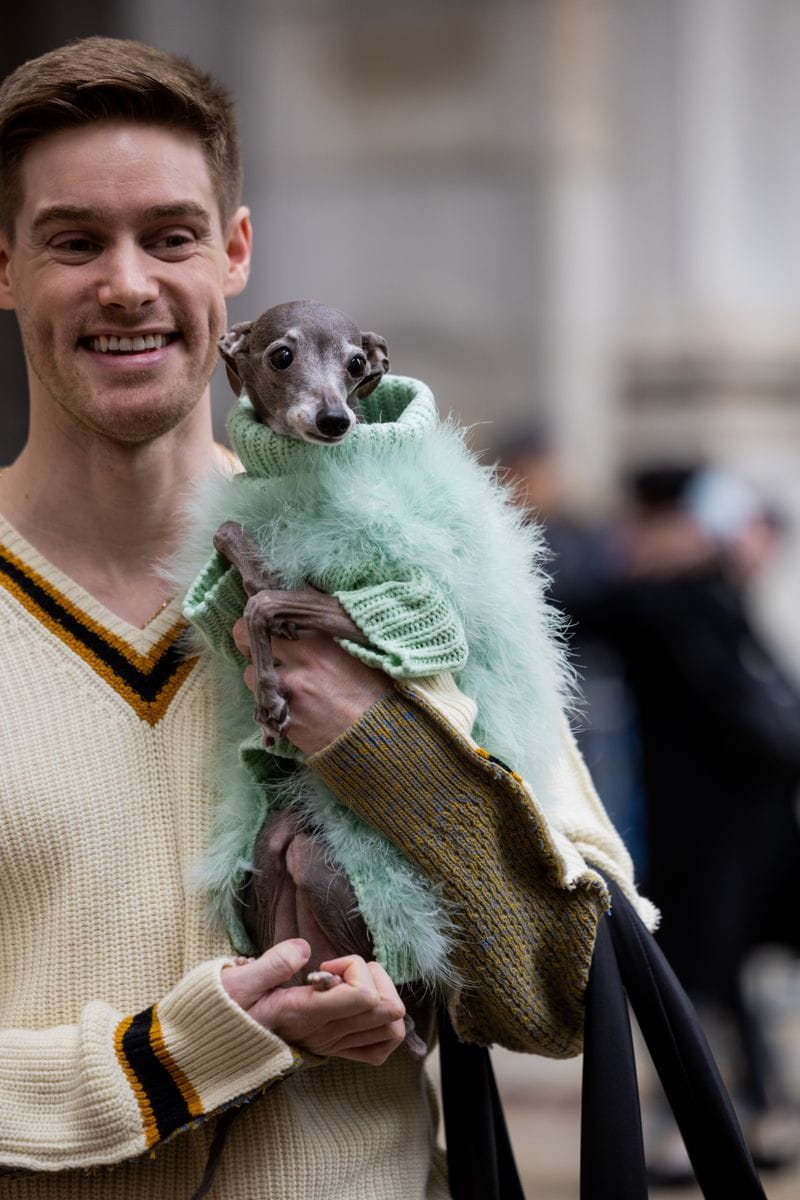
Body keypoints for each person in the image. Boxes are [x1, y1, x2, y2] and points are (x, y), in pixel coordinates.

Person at [0, 37, 649, 1198]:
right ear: (3, 264)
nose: (129, 284)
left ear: (235, 251)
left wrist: (389, 754)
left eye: (171, 236)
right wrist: (176, 1056)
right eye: (74, 242)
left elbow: (577, 988)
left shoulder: (407, 569)